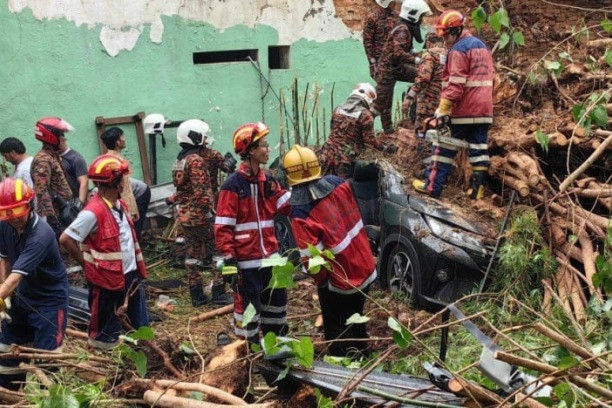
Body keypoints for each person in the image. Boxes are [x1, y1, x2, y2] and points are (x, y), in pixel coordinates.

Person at [283, 145, 377, 357]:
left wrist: (323, 283)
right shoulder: (339, 184)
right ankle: (363, 357)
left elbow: (313, 261)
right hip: (365, 265)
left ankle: (342, 373)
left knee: (337, 330)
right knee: (356, 317)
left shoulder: (301, 213)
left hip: (341, 280)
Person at [59, 155, 149, 350]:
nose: (126, 182)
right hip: (105, 279)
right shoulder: (93, 212)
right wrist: (88, 265)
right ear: (114, 183)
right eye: (124, 178)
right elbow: (66, 239)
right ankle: (106, 364)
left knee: (138, 324)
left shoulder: (120, 206)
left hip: (129, 275)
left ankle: (142, 354)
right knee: (105, 331)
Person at [214, 122, 291, 346]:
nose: (268, 150)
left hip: (271, 259)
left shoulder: (268, 181)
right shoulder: (232, 186)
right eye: (264, 146)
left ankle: (276, 353)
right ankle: (247, 357)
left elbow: (288, 206)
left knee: (276, 309)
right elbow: (223, 226)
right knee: (248, 314)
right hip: (246, 264)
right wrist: (229, 260)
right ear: (249, 151)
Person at [413, 10, 494, 199]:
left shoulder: (459, 50)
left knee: (442, 146)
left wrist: (443, 110)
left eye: (445, 33)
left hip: (464, 110)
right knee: (479, 148)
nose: (443, 38)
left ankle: (432, 187)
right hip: (484, 110)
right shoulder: (482, 47)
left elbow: (456, 85)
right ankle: (477, 190)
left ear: (456, 30)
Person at [0, 178, 68, 389]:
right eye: (6, 213)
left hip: (49, 303)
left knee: (47, 361)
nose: (13, 218)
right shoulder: (5, 225)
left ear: (29, 205)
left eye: (17, 210)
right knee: (6, 354)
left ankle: (51, 401)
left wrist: (2, 293)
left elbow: (16, 276)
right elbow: (4, 259)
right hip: (20, 297)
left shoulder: (41, 235)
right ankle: (9, 397)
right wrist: (5, 293)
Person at [171, 120, 232, 306]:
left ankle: (196, 295)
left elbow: (181, 191)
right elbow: (203, 193)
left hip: (185, 216)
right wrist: (211, 214)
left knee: (192, 256)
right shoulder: (195, 160)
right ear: (195, 136)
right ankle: (218, 292)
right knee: (218, 252)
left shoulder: (179, 160)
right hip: (201, 216)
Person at [372, 0, 432, 134]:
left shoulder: (405, 29)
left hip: (396, 68)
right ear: (413, 15)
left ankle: (413, 111)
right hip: (387, 71)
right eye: (421, 16)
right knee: (380, 105)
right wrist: (417, 60)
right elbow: (397, 53)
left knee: (422, 75)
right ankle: (360, 130)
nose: (422, 20)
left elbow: (406, 51)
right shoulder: (403, 31)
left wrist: (425, 55)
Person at [318, 83, 397, 178]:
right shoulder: (366, 115)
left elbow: (333, 131)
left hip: (326, 154)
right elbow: (370, 141)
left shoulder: (338, 109)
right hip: (345, 160)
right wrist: (384, 148)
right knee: (343, 188)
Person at [31, 117, 74, 234]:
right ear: (52, 137)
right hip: (57, 217)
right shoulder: (43, 160)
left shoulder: (52, 156)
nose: (64, 139)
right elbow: (42, 190)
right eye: (61, 135)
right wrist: (52, 219)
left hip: (63, 212)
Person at [402, 32, 446, 133]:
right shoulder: (451, 53)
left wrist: (409, 97)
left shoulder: (430, 54)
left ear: (428, 43)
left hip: (428, 104)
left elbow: (423, 78)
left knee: (423, 134)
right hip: (445, 104)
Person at [100, 127, 139, 222]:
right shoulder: (119, 163)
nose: (124, 139)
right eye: (122, 137)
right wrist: (132, 211)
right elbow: (125, 189)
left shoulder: (104, 160)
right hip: (122, 209)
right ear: (118, 142)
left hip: (109, 207)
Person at [363, 0, 400, 80]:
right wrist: (372, 61)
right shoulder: (373, 18)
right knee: (383, 87)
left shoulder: (397, 17)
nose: (395, 3)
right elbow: (367, 41)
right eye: (393, 2)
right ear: (387, 3)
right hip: (379, 60)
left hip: (394, 60)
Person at [58, 134, 88, 207]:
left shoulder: (76, 158)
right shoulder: (53, 158)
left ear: (63, 140)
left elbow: (84, 182)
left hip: (73, 202)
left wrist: (79, 204)